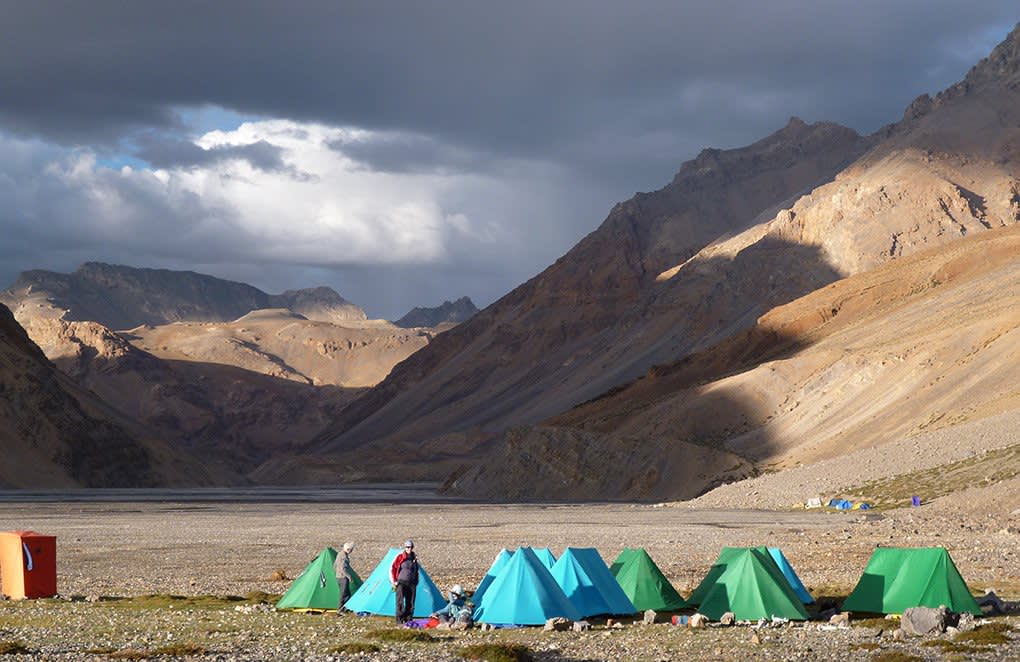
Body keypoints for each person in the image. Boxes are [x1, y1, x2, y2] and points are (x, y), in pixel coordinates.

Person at [389, 539, 419, 624]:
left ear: (412, 547)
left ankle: (408, 619)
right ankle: (399, 620)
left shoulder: (414, 558)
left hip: (412, 583)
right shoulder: (400, 557)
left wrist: (416, 581)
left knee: (411, 602)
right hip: (401, 582)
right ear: (405, 548)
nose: (408, 549)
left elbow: (416, 570)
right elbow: (393, 569)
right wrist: (394, 581)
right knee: (400, 602)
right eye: (407, 547)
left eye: (410, 547)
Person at [337, 542, 355, 612]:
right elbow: (343, 568)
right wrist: (349, 577)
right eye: (351, 549)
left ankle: (346, 608)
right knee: (343, 594)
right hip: (343, 577)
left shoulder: (339, 554)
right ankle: (340, 610)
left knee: (347, 594)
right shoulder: (344, 556)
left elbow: (335, 565)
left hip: (339, 576)